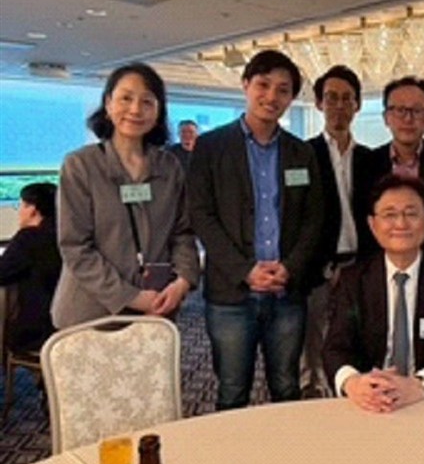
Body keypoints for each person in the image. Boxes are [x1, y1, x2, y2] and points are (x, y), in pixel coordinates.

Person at [188, 49, 323, 410]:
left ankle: (287, 448)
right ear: (246, 85)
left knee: (287, 386)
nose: (271, 96)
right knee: (232, 390)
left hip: (286, 291)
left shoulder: (301, 152)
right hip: (231, 294)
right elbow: (201, 215)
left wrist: (290, 267)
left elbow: (314, 218)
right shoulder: (211, 146)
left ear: (291, 98)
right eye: (263, 85)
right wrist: (244, 270)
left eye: (283, 89)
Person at [52, 63, 199, 328]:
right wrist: (133, 297)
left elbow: (183, 233)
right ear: (108, 104)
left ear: (158, 111)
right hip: (91, 315)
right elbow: (75, 247)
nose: (135, 109)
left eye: (147, 101)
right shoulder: (81, 165)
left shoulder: (169, 167)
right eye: (126, 98)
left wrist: (182, 282)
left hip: (157, 308)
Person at [323, 175, 424, 413]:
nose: (401, 223)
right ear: (372, 224)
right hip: (372, 403)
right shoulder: (353, 280)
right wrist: (354, 383)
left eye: (411, 213)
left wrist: (420, 385)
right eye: (389, 214)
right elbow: (335, 348)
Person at [301, 65, 372, 399]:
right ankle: (314, 393)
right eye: (331, 98)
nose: (339, 105)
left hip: (360, 265)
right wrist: (324, 265)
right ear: (319, 103)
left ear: (357, 105)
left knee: (354, 334)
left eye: (347, 98)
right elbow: (299, 218)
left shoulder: (371, 158)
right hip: (318, 267)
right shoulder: (304, 154)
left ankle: (352, 393)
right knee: (314, 338)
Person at [365, 76, 424, 260]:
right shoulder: (367, 163)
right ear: (386, 118)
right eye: (400, 110)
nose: (408, 119)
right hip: (382, 264)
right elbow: (365, 222)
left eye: (417, 111)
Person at [0, 183, 60, 351]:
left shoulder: (28, 239)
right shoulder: (68, 236)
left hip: (38, 332)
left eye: (20, 206)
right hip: (67, 328)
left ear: (32, 209)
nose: (19, 211)